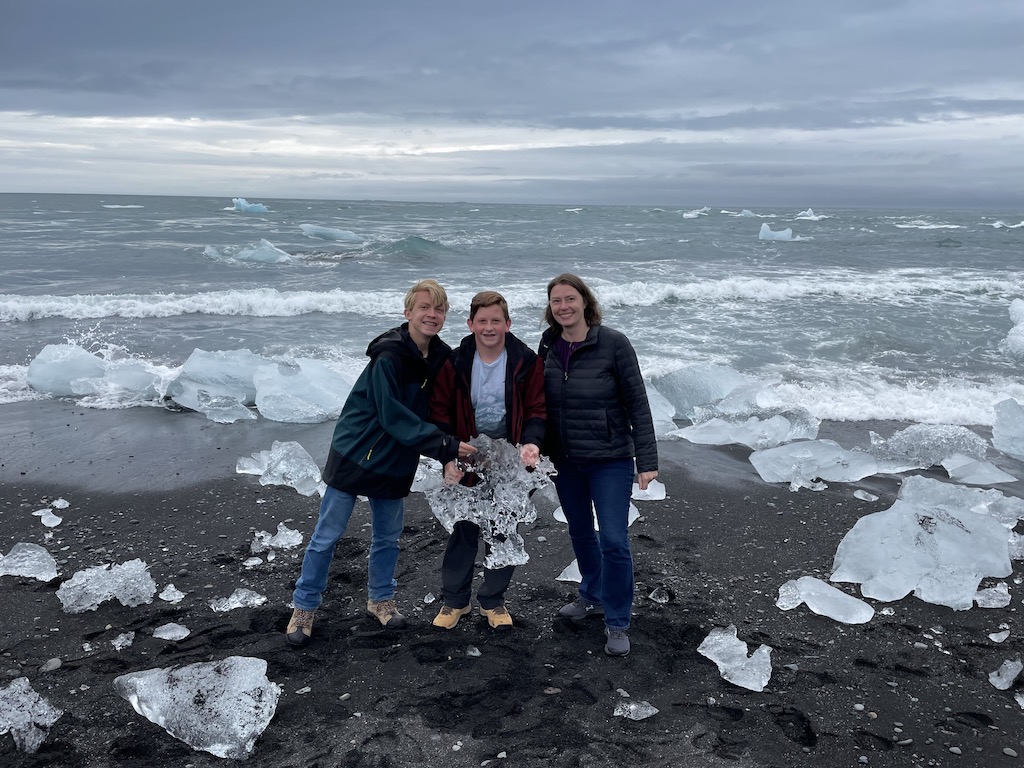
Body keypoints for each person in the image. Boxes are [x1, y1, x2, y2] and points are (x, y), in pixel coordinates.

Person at [285, 279, 476, 647]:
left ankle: (381, 600)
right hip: (357, 451)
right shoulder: (388, 356)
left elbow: (445, 409)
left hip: (397, 458)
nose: (431, 315)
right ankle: (304, 607)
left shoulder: (442, 359)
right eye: (424, 308)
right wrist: (444, 446)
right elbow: (393, 416)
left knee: (388, 537)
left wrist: (454, 451)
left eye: (438, 309)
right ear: (408, 313)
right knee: (327, 536)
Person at [538, 273, 658, 657]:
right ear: (550, 308)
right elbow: (538, 403)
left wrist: (647, 459)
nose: (563, 306)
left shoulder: (613, 344)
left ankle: (618, 620)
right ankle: (590, 593)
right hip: (566, 460)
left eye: (569, 298)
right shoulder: (549, 344)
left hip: (610, 459)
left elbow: (637, 402)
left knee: (613, 539)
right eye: (556, 301)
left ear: (585, 301)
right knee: (580, 532)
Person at [428, 290, 546, 630]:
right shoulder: (455, 362)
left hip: (511, 457)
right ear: (470, 324)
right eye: (482, 321)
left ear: (508, 324)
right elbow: (439, 413)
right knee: (463, 526)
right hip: (467, 455)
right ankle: (455, 602)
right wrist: (448, 454)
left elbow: (538, 409)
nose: (489, 327)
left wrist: (532, 444)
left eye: (496, 320)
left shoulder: (527, 362)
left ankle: (493, 601)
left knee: (503, 527)